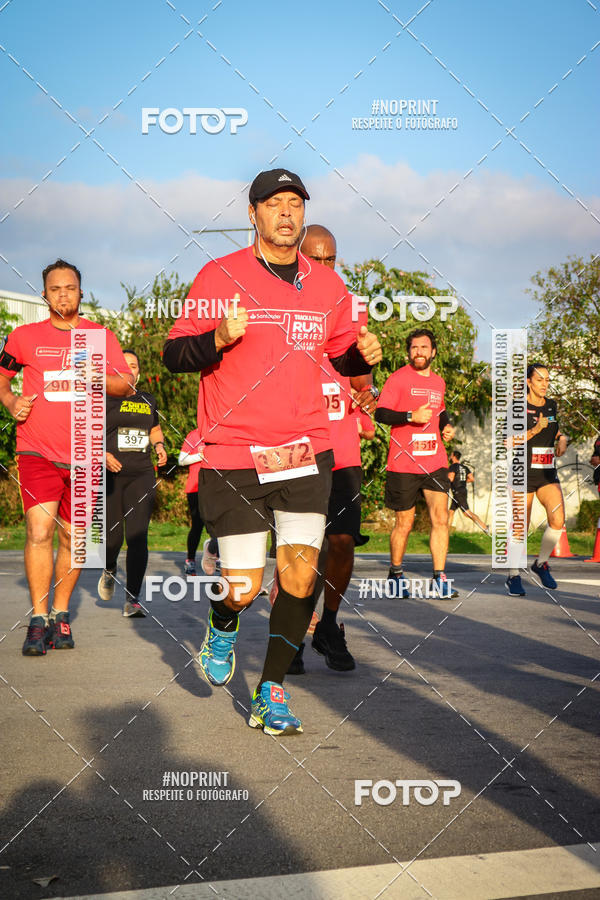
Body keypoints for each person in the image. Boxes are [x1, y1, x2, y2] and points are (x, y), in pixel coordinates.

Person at [163, 168, 382, 735]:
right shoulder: (218, 275)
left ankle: (271, 690)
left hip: (305, 449)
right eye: (273, 203)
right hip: (234, 450)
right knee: (242, 585)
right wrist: (218, 340)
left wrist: (366, 355)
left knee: (300, 576)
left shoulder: (329, 287)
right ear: (254, 213)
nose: (286, 212)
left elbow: (342, 359)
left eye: (294, 203)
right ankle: (222, 619)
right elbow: (173, 354)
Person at [0, 259, 132, 654]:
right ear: (45, 294)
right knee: (39, 531)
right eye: (55, 288)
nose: (63, 294)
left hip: (86, 452)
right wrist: (10, 401)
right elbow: (2, 378)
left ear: (80, 292)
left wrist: (97, 376)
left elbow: (125, 384)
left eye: (70, 288)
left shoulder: (99, 337)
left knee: (74, 540)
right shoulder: (23, 337)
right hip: (37, 450)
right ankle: (37, 621)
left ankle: (60, 615)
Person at [287, 224, 377, 675]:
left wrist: (369, 392)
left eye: (331, 259)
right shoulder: (284, 307)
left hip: (342, 450)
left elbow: (362, 377)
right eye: (316, 258)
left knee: (340, 543)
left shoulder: (350, 311)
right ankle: (293, 633)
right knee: (302, 550)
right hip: (296, 449)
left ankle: (330, 625)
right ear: (298, 257)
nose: (325, 267)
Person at [375, 328, 457, 599]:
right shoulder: (397, 380)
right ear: (408, 352)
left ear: (433, 352)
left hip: (435, 461)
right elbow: (382, 413)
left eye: (424, 347)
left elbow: (440, 410)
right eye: (414, 348)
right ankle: (396, 574)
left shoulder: (438, 382)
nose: (419, 352)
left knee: (441, 519)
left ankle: (439, 578)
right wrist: (411, 415)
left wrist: (445, 427)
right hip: (403, 464)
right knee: (404, 523)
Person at [97, 350, 167, 616]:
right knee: (112, 538)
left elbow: (154, 427)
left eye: (134, 365)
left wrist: (159, 445)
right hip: (110, 475)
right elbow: (86, 432)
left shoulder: (148, 399)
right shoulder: (103, 398)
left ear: (138, 372)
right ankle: (109, 566)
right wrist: (102, 455)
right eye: (124, 365)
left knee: (137, 536)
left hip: (141, 474)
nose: (130, 369)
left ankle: (133, 598)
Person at [505, 363, 567, 596]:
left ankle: (541, 563)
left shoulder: (551, 405)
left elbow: (554, 430)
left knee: (558, 519)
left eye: (547, 380)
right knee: (521, 527)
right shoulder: (518, 407)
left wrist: (562, 438)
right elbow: (507, 442)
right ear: (529, 382)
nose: (544, 384)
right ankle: (513, 576)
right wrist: (532, 430)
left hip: (547, 473)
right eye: (540, 379)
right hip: (522, 473)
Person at [447, 450, 489, 533]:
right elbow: (472, 478)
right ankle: (446, 532)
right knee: (451, 512)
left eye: (451, 455)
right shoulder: (464, 467)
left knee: (467, 513)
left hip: (458, 492)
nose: (450, 456)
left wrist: (443, 480)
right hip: (461, 491)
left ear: (453, 456)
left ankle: (485, 527)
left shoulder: (453, 466)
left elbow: (451, 478)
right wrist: (462, 481)